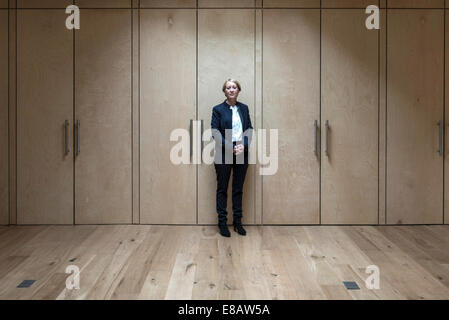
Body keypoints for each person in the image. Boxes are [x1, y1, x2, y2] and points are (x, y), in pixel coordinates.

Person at [211, 79, 253, 237]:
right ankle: (222, 223)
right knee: (222, 189)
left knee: (238, 189)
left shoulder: (244, 108)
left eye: (234, 87)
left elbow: (249, 129)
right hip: (224, 152)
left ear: (238, 90)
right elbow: (215, 132)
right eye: (228, 87)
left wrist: (244, 145)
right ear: (224, 91)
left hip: (242, 151)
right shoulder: (218, 109)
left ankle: (237, 222)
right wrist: (230, 147)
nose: (231, 90)